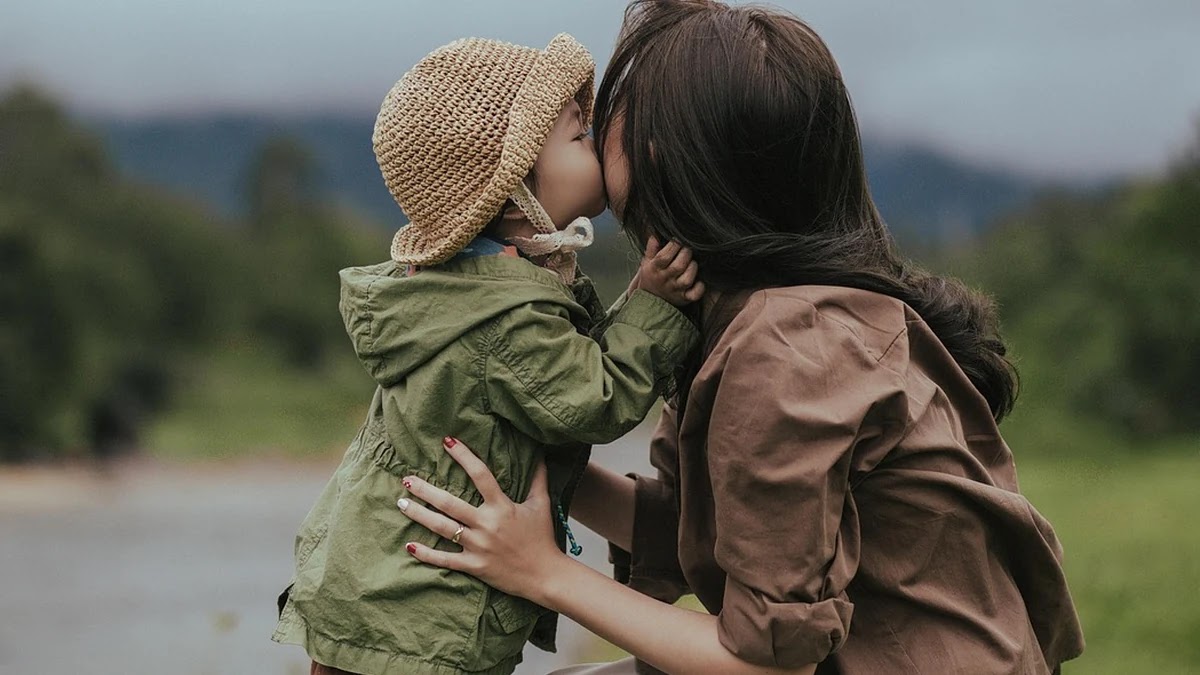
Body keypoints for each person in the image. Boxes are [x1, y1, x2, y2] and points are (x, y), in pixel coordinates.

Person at [394, 2, 1086, 674]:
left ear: (664, 154)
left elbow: (767, 662)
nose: (596, 126)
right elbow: (722, 529)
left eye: (614, 113)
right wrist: (536, 461)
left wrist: (544, 572)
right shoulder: (771, 310)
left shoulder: (786, 345)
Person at [272, 33, 705, 675]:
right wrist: (657, 307)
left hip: (384, 594)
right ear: (513, 188)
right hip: (423, 620)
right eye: (580, 136)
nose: (599, 145)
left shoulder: (471, 289)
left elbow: (563, 368)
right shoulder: (504, 316)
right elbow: (592, 400)